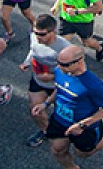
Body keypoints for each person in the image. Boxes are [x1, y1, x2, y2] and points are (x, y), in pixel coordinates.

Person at [34, 44, 103, 169]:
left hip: (84, 128)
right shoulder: (59, 71)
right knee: (57, 150)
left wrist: (82, 125)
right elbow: (60, 88)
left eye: (65, 65)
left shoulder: (94, 84)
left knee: (84, 153)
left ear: (79, 62)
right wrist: (45, 103)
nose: (59, 67)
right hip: (59, 120)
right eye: (58, 62)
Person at [21, 15, 71, 148]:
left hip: (58, 86)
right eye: (36, 32)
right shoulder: (34, 37)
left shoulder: (65, 48)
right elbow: (33, 50)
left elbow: (75, 72)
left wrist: (52, 76)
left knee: (65, 114)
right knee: (35, 109)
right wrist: (27, 62)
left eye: (42, 34)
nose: (38, 37)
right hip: (38, 82)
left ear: (53, 31)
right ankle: (47, 131)